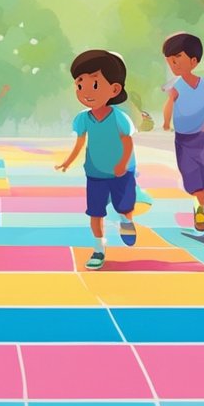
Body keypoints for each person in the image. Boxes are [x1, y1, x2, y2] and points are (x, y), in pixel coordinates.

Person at [55, 49, 140, 270]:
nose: (85, 92)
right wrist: (68, 161)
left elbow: (128, 142)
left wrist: (122, 164)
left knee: (124, 206)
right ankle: (99, 249)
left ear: (114, 89)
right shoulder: (82, 118)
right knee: (95, 212)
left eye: (94, 85)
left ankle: (126, 220)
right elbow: (80, 143)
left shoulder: (120, 117)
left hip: (122, 171)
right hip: (95, 172)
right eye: (79, 85)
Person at [161, 32, 204, 234]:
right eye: (171, 62)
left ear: (193, 61)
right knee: (191, 178)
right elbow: (169, 105)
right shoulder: (177, 86)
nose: (174, 65)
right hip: (184, 139)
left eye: (178, 60)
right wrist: (166, 121)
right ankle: (199, 206)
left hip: (203, 137)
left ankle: (200, 206)